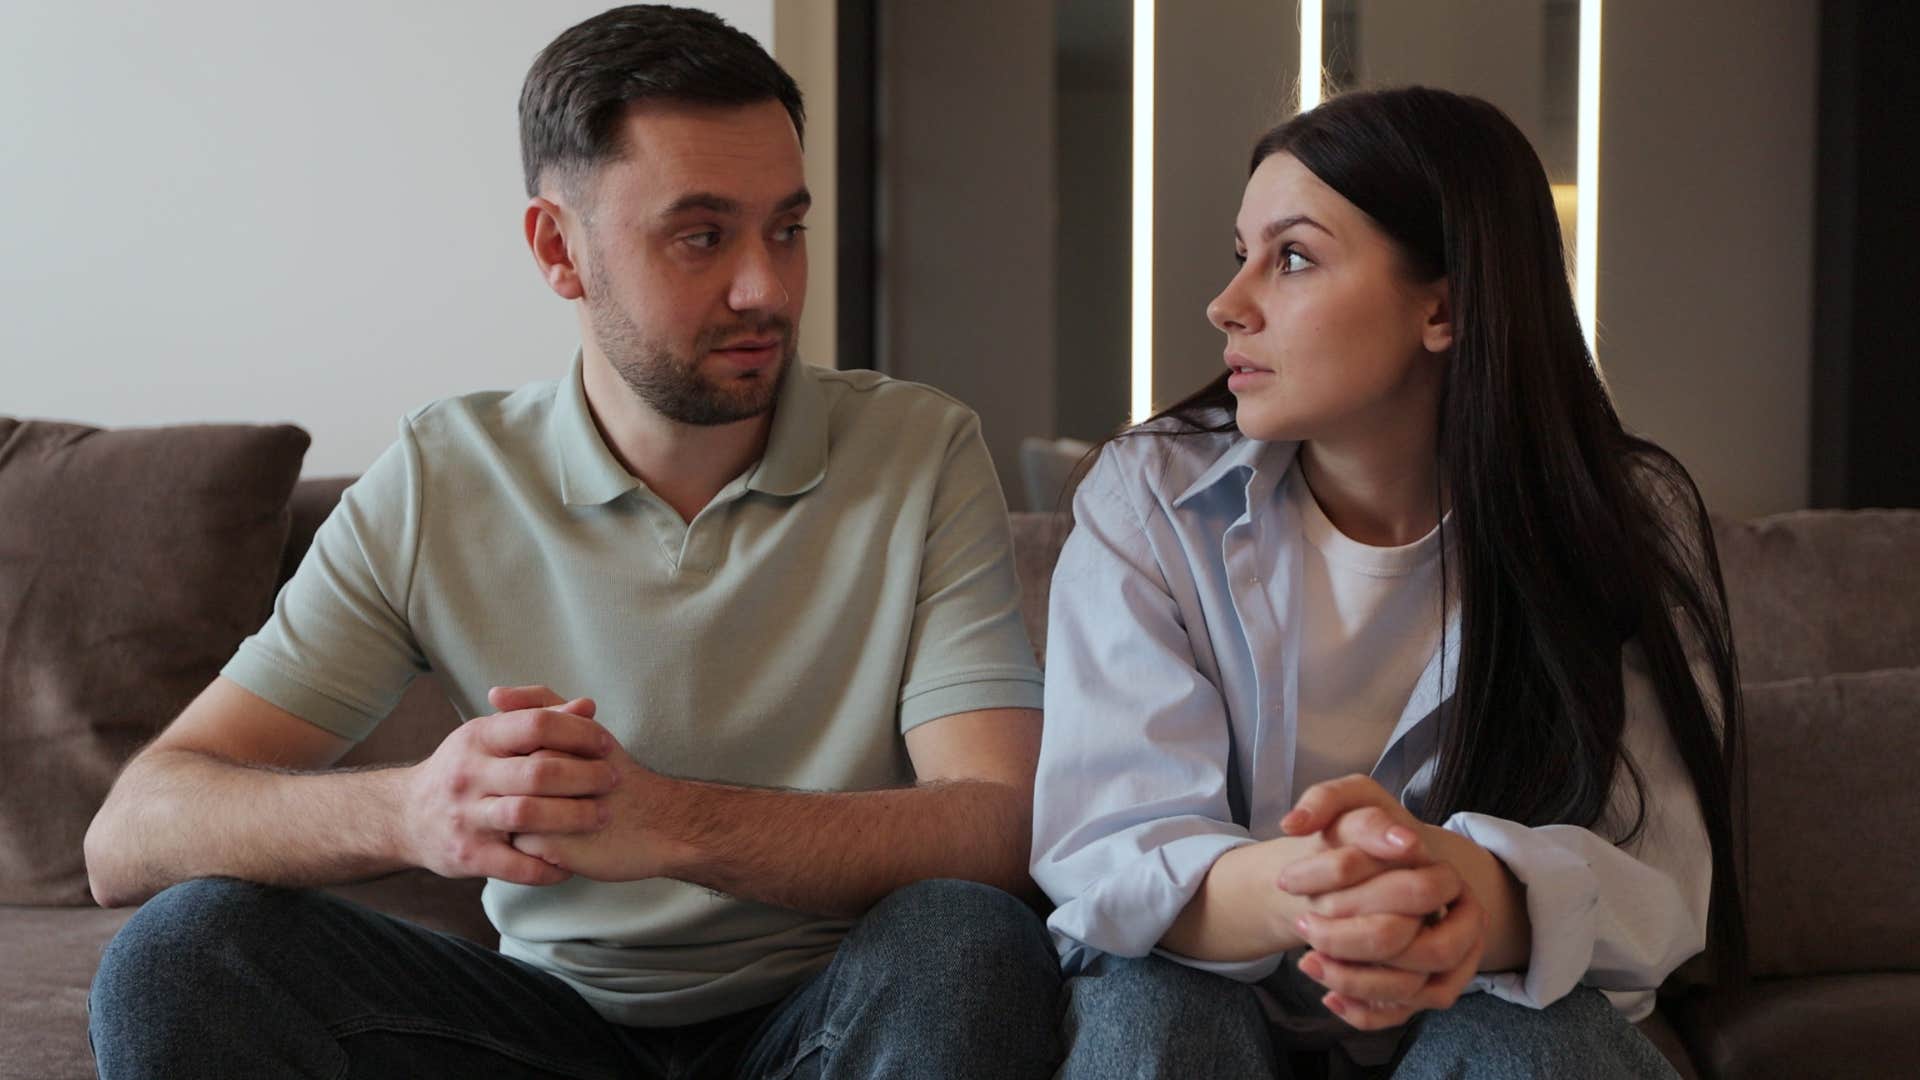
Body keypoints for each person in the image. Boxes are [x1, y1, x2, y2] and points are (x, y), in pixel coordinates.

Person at [84, 7, 1058, 1077]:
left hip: (832, 1023)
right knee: (181, 956)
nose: (766, 289)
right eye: (701, 235)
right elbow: (130, 834)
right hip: (543, 1032)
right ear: (559, 248)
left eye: (787, 227)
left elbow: (997, 827)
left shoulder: (919, 452)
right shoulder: (443, 478)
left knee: (970, 940)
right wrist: (412, 810)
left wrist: (676, 824)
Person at [1031, 86, 1744, 1079]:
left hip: (1481, 1002)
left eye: (1291, 256)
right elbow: (1110, 845)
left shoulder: (1619, 514)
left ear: (1443, 307)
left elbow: (1660, 881)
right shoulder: (1147, 496)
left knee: (1543, 1046)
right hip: (1213, 980)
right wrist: (1344, 885)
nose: (1227, 305)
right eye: (1240, 255)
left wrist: (1474, 900)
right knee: (1151, 1014)